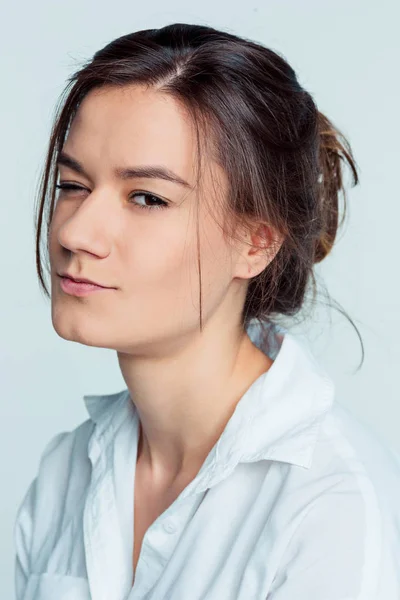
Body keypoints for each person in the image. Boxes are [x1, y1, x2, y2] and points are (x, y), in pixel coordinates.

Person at [14, 22, 400, 600]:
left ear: (256, 242)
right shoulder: (66, 472)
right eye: (73, 184)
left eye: (147, 197)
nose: (76, 231)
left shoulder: (331, 506)